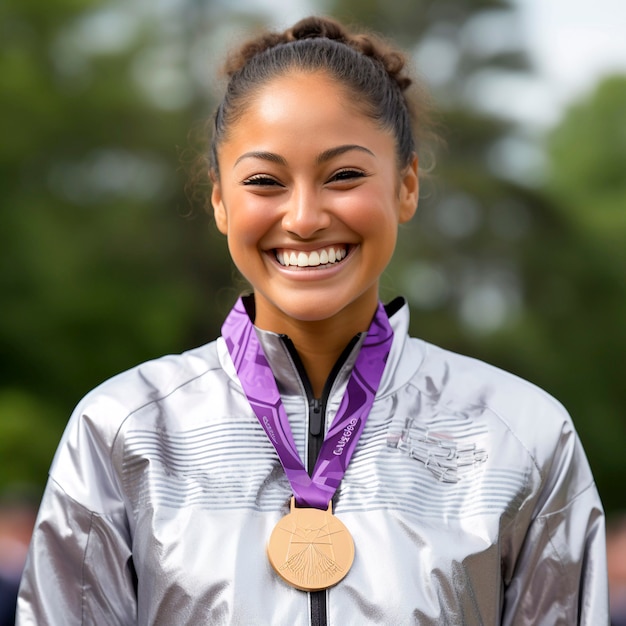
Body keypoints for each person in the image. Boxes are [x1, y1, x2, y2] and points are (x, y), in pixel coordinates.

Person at [16, 15, 608, 626]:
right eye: (265, 181)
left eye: (344, 175)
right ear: (221, 200)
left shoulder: (522, 437)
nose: (303, 217)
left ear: (406, 186)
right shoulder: (122, 432)